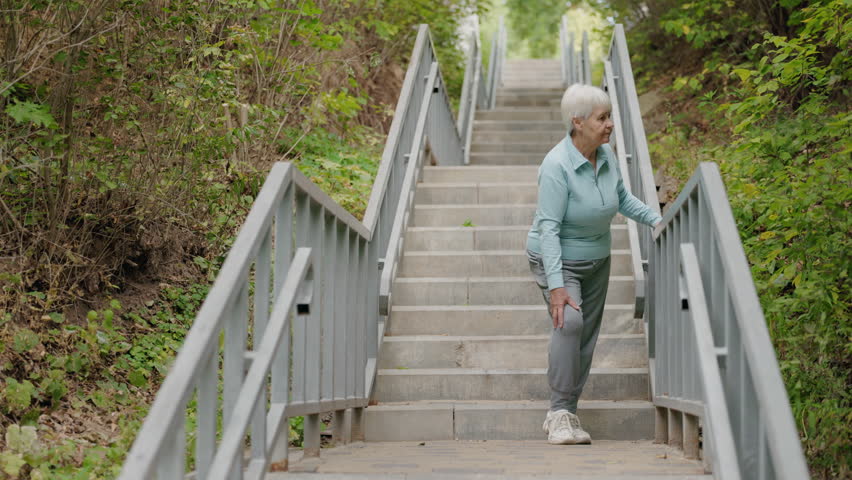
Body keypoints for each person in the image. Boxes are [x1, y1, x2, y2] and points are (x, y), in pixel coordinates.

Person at [526, 83, 661, 445]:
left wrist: (657, 220)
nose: (610, 124)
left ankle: (568, 411)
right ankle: (558, 413)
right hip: (558, 258)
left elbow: (622, 199)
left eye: (609, 116)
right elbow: (549, 228)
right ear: (578, 122)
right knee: (569, 323)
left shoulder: (606, 155)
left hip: (597, 258)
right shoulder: (556, 165)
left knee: (585, 334)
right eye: (602, 118)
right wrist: (556, 286)